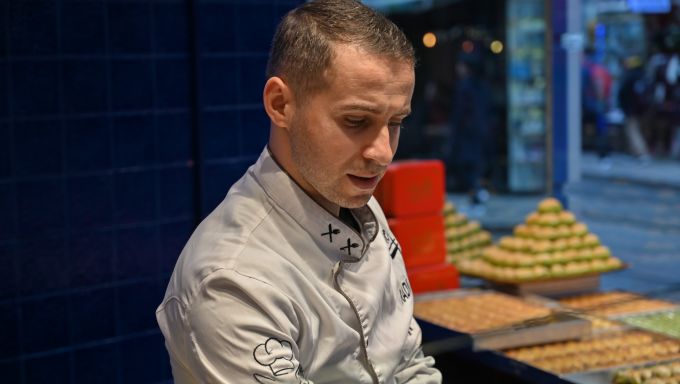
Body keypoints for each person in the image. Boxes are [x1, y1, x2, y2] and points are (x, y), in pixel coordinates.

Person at [156, 1, 443, 383]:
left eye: (396, 122)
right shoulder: (231, 281)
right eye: (356, 121)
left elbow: (408, 365)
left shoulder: (359, 206)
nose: (383, 153)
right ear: (281, 105)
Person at [449, 54, 491, 206]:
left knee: (466, 164)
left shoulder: (464, 86)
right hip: (480, 131)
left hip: (467, 133)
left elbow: (459, 112)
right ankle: (478, 191)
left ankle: (476, 192)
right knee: (477, 164)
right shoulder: (482, 85)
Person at [617, 55, 651, 160]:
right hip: (642, 108)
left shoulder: (630, 77)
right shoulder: (643, 76)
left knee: (632, 129)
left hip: (631, 108)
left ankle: (641, 152)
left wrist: (623, 106)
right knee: (636, 129)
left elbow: (622, 92)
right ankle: (634, 152)